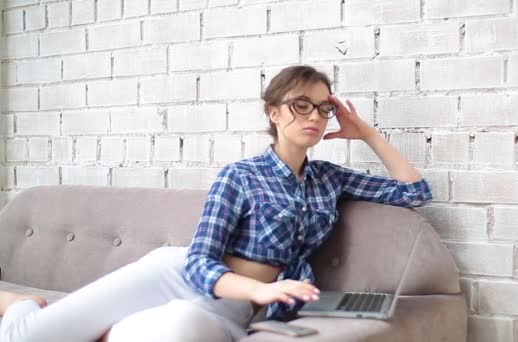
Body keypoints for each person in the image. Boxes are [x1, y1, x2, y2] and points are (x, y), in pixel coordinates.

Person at [0, 65, 432, 342]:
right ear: (274, 113)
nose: (315, 117)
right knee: (31, 338)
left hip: (236, 307)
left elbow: (414, 193)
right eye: (301, 105)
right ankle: (21, 304)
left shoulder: (328, 179)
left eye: (323, 108)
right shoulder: (239, 176)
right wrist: (262, 288)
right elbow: (200, 264)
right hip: (176, 276)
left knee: (180, 330)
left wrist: (366, 133)